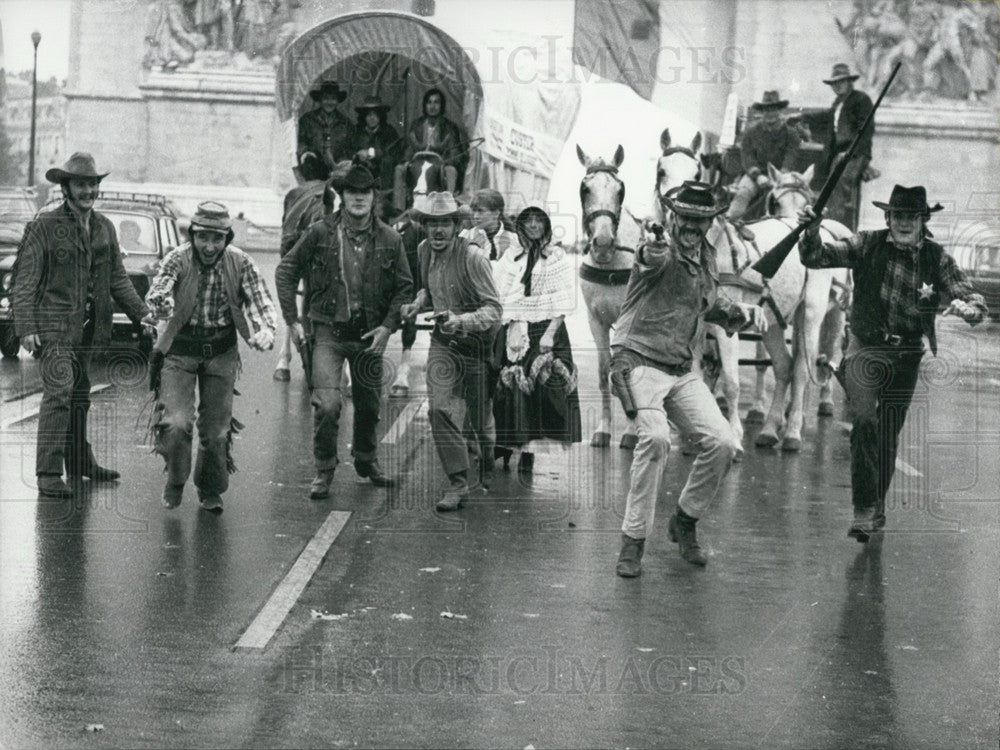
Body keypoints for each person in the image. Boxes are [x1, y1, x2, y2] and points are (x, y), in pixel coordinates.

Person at [797, 185, 987, 542]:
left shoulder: (937, 258)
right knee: (866, 420)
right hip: (865, 348)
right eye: (897, 216)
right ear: (888, 218)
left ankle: (875, 506)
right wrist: (810, 228)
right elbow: (817, 256)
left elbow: (968, 294)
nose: (903, 223)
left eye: (911, 217)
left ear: (922, 221)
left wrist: (971, 309)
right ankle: (864, 509)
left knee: (887, 434)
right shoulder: (867, 243)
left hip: (907, 356)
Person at [613, 182, 767, 576]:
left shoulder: (708, 259)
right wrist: (654, 244)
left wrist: (745, 311)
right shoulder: (659, 252)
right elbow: (651, 256)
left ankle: (684, 521)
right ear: (672, 218)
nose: (691, 227)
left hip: (680, 370)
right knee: (656, 439)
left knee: (722, 442)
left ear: (710, 223)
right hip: (639, 361)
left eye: (700, 221)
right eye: (685, 218)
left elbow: (710, 304)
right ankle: (633, 541)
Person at [11, 152, 152, 499]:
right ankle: (47, 472)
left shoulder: (104, 226)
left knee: (79, 395)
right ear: (66, 187)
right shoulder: (44, 225)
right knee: (59, 393)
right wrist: (26, 326)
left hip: (90, 327)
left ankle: (79, 462)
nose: (89, 190)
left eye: (93, 184)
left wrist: (143, 313)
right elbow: (25, 280)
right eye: (81, 184)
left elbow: (118, 279)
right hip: (54, 325)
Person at [275, 164, 413, 498]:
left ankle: (366, 461)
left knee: (367, 405)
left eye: (365, 193)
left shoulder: (390, 239)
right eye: (352, 192)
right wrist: (293, 320)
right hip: (328, 335)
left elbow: (405, 288)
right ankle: (324, 470)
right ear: (343, 196)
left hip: (369, 337)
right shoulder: (320, 233)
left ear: (373, 197)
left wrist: (386, 327)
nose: (359, 199)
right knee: (327, 404)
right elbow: (285, 271)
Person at [146, 202, 276, 512]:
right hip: (179, 351)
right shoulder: (177, 259)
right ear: (192, 236)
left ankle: (210, 488)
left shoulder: (240, 262)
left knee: (216, 430)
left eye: (217, 239)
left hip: (221, 352)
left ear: (226, 239)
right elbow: (160, 288)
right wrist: (161, 304)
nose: (209, 246)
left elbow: (260, 301)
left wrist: (266, 329)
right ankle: (176, 478)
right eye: (202, 237)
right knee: (176, 423)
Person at [399, 192, 501, 511]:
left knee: (480, 425)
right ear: (424, 226)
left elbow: (494, 309)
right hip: (443, 345)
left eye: (445, 223)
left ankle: (486, 461)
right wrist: (418, 303)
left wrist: (461, 320)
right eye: (432, 223)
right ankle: (458, 482)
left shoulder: (473, 257)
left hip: (477, 347)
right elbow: (429, 289)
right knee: (440, 409)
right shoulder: (424, 251)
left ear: (457, 225)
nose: (438, 231)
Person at [492, 206, 581, 475]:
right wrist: (512, 325)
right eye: (527, 221)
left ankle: (529, 454)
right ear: (519, 226)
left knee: (543, 389)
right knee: (512, 390)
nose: (532, 225)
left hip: (545, 328)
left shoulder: (555, 257)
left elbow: (564, 297)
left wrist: (550, 333)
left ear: (546, 225)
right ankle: (511, 445)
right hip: (516, 326)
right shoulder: (511, 256)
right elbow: (501, 293)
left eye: (538, 221)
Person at [726, 90, 802, 222]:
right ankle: (730, 224)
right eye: (766, 110)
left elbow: (791, 155)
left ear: (779, 111)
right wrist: (758, 176)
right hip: (755, 176)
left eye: (773, 109)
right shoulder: (751, 131)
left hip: (781, 176)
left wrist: (781, 175)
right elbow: (747, 155)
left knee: (793, 200)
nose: (770, 113)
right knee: (742, 194)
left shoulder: (790, 133)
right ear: (762, 112)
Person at [393, 89, 468, 210]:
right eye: (429, 102)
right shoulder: (417, 124)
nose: (432, 106)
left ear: (441, 105)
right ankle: (399, 209)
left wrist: (447, 161)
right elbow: (409, 147)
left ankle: (448, 207)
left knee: (451, 171)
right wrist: (407, 160)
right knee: (399, 169)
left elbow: (455, 152)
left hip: (440, 162)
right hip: (418, 161)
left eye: (436, 102)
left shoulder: (449, 126)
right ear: (425, 105)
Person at [822, 63, 875, 229]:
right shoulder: (838, 103)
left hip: (855, 153)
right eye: (834, 83)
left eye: (841, 82)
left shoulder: (861, 100)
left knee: (840, 186)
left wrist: (850, 153)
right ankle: (829, 222)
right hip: (839, 154)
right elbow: (826, 117)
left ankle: (835, 227)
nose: (837, 86)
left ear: (849, 82)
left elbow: (865, 130)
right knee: (829, 186)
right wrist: (801, 115)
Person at [297, 81, 353, 182]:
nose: (329, 102)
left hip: (338, 167)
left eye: (333, 99)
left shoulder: (345, 123)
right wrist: (306, 153)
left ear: (337, 101)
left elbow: (351, 146)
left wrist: (344, 161)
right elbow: (300, 141)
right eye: (326, 98)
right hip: (314, 166)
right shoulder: (307, 120)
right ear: (320, 100)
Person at [348, 96, 402, 200]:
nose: (372, 118)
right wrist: (357, 154)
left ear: (381, 116)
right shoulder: (356, 132)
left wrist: (372, 153)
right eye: (368, 115)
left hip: (383, 174)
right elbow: (348, 150)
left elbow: (395, 153)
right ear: (364, 117)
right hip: (361, 171)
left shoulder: (389, 132)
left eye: (375, 115)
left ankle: (383, 200)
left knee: (387, 162)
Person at [461, 189, 521, 262]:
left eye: (481, 211)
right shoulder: (465, 237)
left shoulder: (514, 239)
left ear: (496, 213)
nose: (475, 216)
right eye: (474, 210)